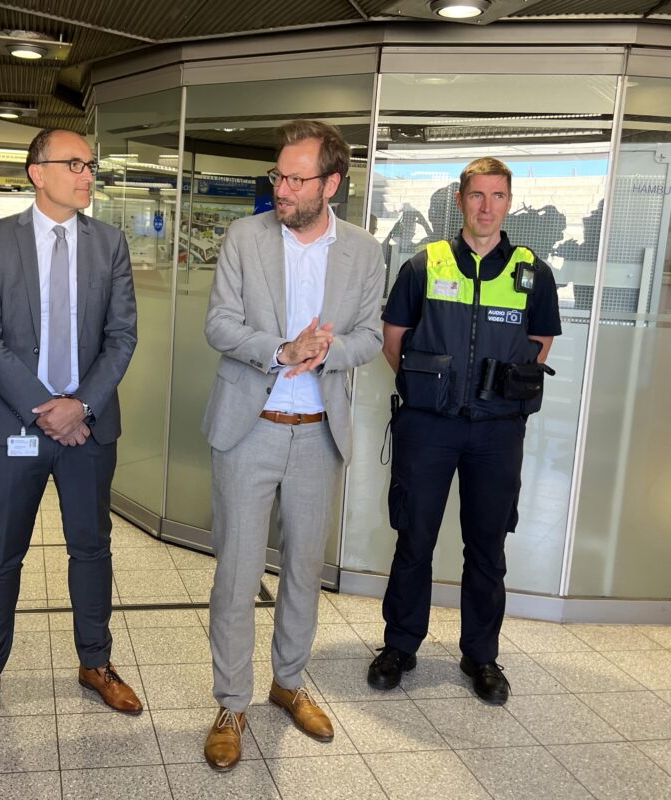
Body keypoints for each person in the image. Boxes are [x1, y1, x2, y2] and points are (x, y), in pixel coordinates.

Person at [201, 120, 385, 771]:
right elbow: (219, 324)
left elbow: (369, 337)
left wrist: (330, 350)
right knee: (237, 575)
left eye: (295, 178)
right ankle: (231, 703)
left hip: (317, 439)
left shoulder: (364, 252)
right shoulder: (244, 238)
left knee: (303, 571)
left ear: (331, 184)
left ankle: (288, 683)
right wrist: (281, 351)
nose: (281, 187)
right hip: (248, 430)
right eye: (279, 175)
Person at [0, 128, 140, 731]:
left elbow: (121, 338)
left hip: (87, 429)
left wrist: (80, 405)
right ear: (38, 172)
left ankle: (97, 663)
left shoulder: (109, 244)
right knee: (1, 551)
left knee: (91, 547)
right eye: (75, 163)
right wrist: (47, 407)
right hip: (16, 423)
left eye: (91, 165)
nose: (88, 174)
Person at [368, 157, 562, 705]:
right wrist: (434, 392)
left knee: (487, 548)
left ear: (508, 201)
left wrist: (495, 392)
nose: (486, 207)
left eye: (497, 196)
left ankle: (481, 655)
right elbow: (394, 339)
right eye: (477, 195)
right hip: (428, 427)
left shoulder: (532, 272)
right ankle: (400, 645)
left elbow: (542, 341)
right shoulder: (423, 265)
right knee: (415, 539)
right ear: (460, 199)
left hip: (497, 433)